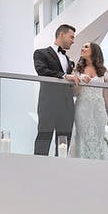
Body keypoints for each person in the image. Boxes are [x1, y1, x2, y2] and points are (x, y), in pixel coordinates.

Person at [32, 24, 78, 155]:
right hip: (48, 104)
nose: (73, 41)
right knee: (43, 139)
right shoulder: (40, 53)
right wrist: (64, 76)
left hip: (67, 106)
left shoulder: (69, 60)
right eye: (71, 37)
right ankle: (39, 170)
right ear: (61, 34)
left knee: (64, 142)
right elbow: (42, 71)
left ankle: (59, 171)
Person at [71, 40, 108, 161]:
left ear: (94, 51)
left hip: (98, 109)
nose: (82, 48)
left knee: (99, 138)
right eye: (82, 46)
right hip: (82, 108)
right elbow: (74, 93)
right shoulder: (77, 70)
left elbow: (106, 95)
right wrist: (79, 81)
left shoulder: (103, 72)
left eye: (86, 47)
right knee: (81, 136)